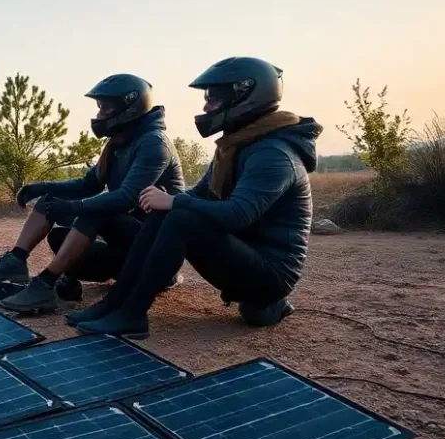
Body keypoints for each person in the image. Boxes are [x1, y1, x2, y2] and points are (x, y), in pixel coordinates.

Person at [75, 56, 322, 339]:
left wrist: (175, 201)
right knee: (169, 211)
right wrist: (169, 200)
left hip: (272, 274)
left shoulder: (273, 153)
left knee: (181, 216)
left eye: (214, 99)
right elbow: (199, 194)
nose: (206, 106)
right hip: (246, 257)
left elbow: (239, 215)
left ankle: (132, 314)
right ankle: (115, 303)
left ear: (245, 95)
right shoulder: (236, 145)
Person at [0, 74, 185, 314]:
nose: (100, 114)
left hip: (156, 251)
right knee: (55, 208)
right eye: (99, 107)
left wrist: (75, 208)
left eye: (106, 107)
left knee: (94, 211)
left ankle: (45, 285)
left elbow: (127, 198)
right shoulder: (119, 144)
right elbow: (88, 185)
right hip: (129, 245)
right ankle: (16, 261)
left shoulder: (153, 144)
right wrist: (42, 187)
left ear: (129, 108)